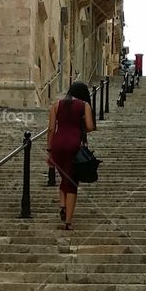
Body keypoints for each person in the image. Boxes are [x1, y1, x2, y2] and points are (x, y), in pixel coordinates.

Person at [47, 81, 96, 230]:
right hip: (73, 145)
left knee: (63, 175)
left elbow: (50, 129)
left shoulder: (56, 105)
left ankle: (62, 205)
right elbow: (90, 126)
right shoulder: (84, 106)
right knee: (72, 182)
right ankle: (68, 222)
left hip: (57, 144)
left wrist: (49, 151)